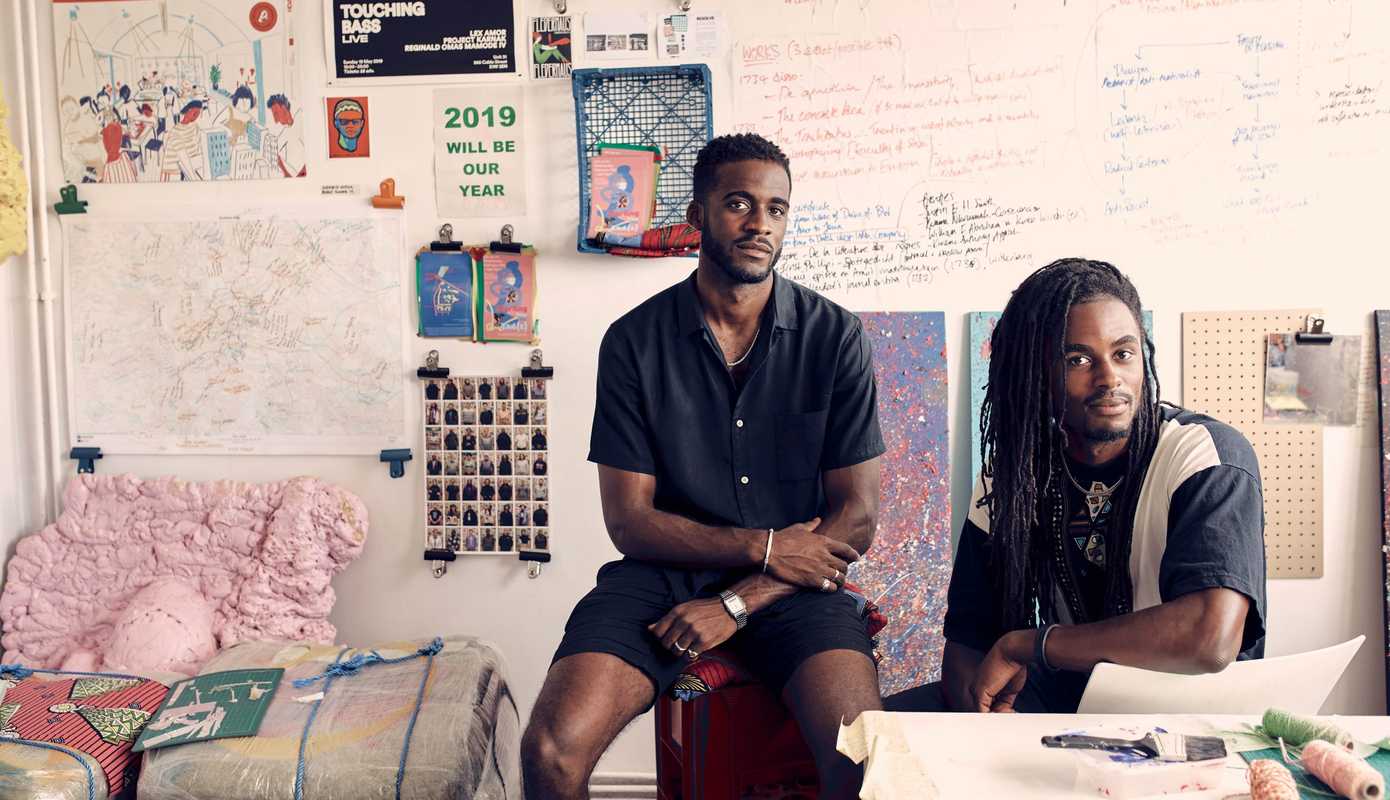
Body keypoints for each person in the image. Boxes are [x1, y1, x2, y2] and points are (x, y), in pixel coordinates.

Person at [522, 133, 885, 799]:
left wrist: (741, 599)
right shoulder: (634, 341)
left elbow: (855, 518)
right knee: (550, 752)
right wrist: (766, 545)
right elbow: (629, 522)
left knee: (866, 765)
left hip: (794, 590)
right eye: (739, 203)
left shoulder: (835, 337)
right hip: (661, 579)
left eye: (776, 209)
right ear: (697, 215)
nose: (759, 224)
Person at [891, 258, 1266, 716]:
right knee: (873, 732)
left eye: (1123, 354)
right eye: (1078, 360)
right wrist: (987, 724)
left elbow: (1209, 638)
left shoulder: (1204, 455)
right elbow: (969, 644)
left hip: (1187, 711)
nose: (1109, 378)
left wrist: (1032, 644)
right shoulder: (1014, 474)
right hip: (1068, 701)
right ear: (1036, 374)